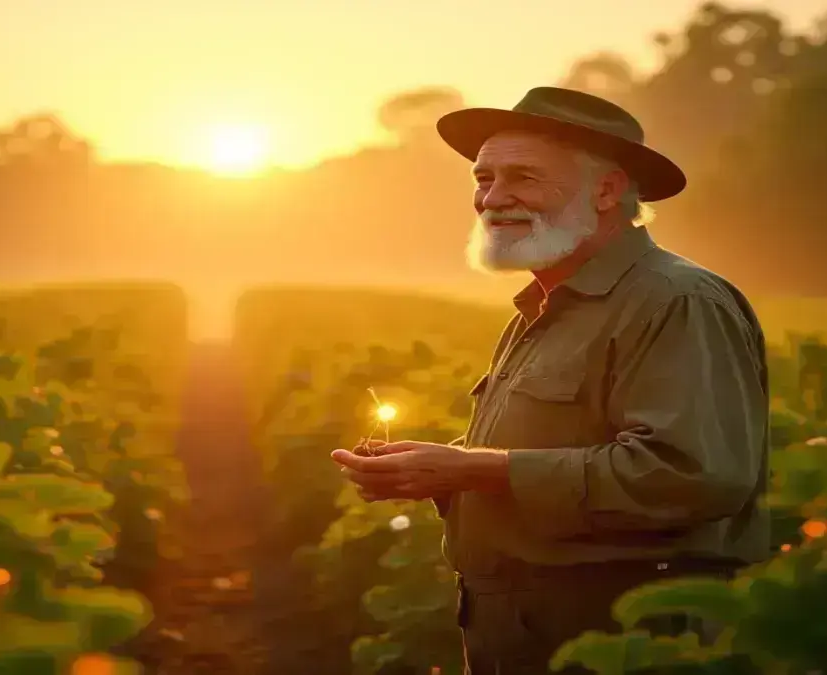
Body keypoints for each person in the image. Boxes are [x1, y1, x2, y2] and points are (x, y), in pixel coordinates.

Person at [330, 87, 771, 674]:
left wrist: (476, 470)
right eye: (483, 178)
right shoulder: (542, 307)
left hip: (626, 639)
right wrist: (436, 472)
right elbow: (549, 451)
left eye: (524, 178)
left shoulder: (676, 300)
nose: (493, 198)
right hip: (522, 633)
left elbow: (692, 475)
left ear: (608, 191)